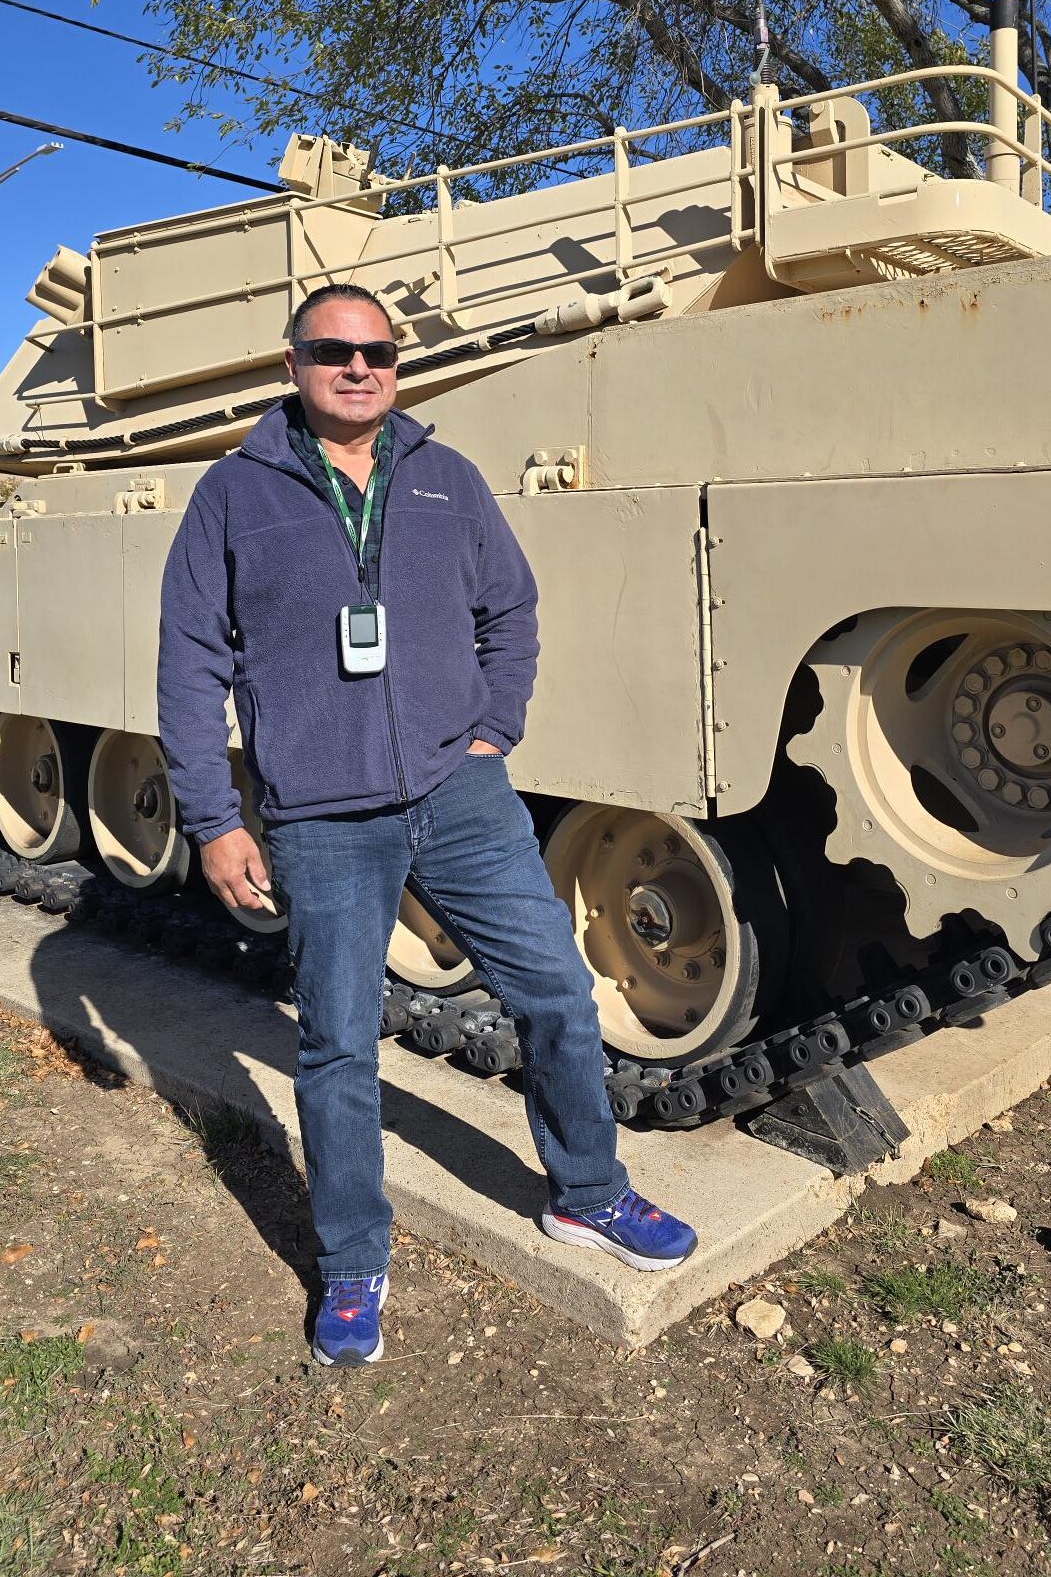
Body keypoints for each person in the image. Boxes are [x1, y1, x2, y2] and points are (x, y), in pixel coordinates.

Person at [157, 282, 696, 1365]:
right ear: (294, 362)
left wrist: (496, 725)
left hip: (461, 798)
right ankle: (354, 1259)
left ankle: (588, 1190)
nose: (359, 367)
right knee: (338, 1045)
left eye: (379, 353)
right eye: (333, 350)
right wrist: (215, 817)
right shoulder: (234, 492)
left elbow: (512, 606)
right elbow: (188, 658)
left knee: (557, 991)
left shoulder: (445, 476)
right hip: (322, 818)